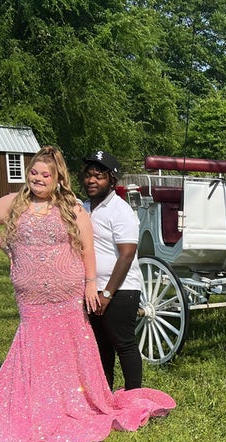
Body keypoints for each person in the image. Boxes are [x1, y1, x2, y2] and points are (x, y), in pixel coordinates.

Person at [0, 146, 175, 442]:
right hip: (32, 297)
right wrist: (8, 248)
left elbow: (90, 248)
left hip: (69, 295)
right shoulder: (15, 201)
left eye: (45, 174)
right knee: (35, 348)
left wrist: (93, 284)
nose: (38, 178)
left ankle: (77, 401)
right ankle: (35, 404)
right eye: (34, 172)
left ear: (57, 178)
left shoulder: (73, 206)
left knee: (75, 349)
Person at [81, 151, 143, 391]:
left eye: (99, 176)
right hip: (91, 289)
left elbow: (126, 255)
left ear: (112, 181)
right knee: (100, 346)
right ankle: (105, 394)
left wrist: (107, 293)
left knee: (124, 344)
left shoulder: (120, 210)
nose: (92, 181)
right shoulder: (84, 208)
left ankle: (134, 396)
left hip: (120, 290)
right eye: (88, 175)